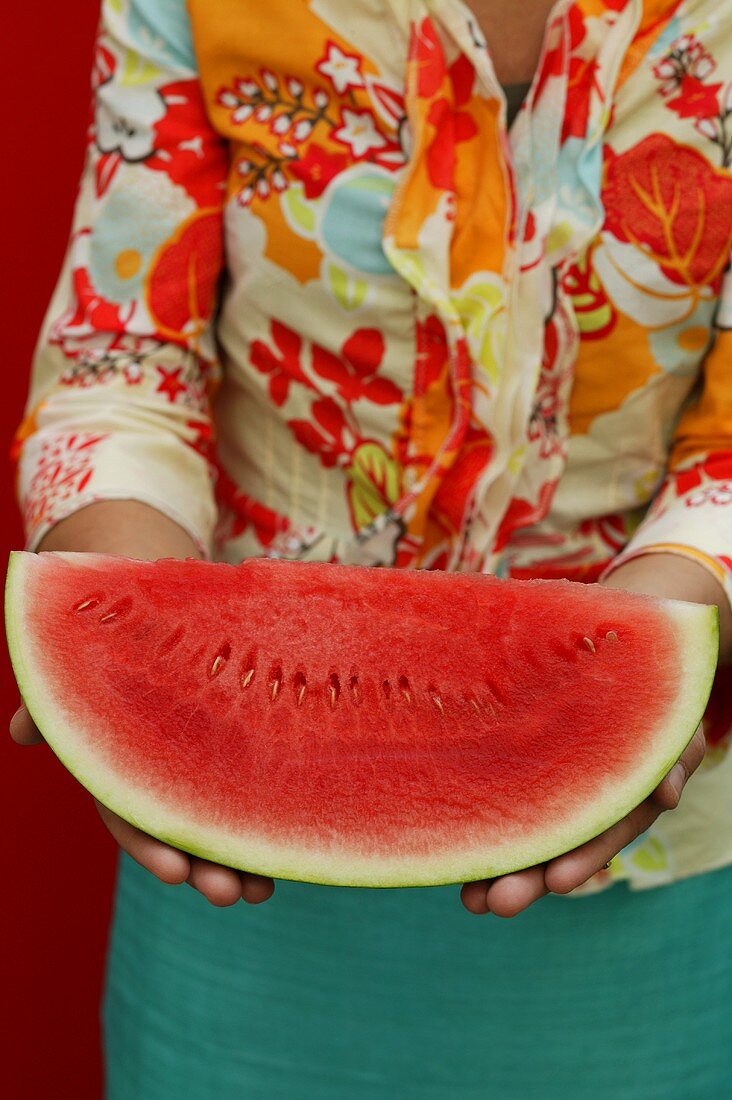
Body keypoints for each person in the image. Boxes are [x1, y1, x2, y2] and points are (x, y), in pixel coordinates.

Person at [10, 0, 732, 1094]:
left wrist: (669, 624)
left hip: (656, 883)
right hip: (234, 886)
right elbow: (122, 365)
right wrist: (128, 653)